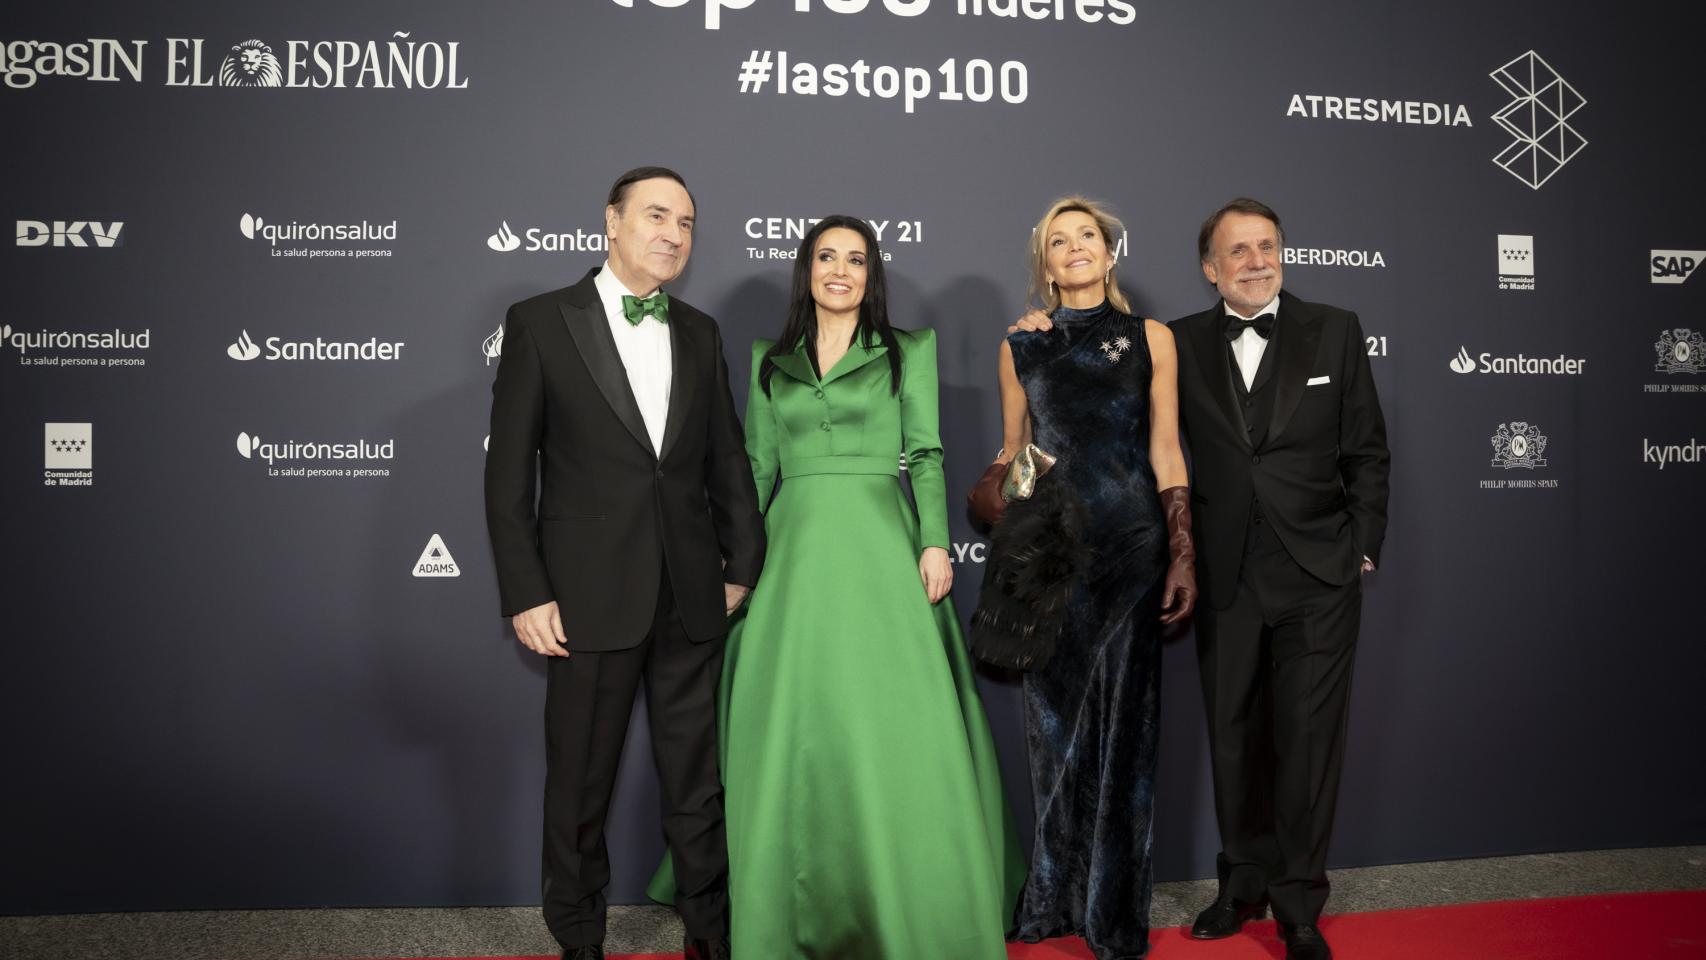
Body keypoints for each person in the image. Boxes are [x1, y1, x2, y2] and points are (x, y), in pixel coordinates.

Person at [653, 215, 1024, 958]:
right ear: (808, 269)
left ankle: (907, 893)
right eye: (827, 256)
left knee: (888, 722)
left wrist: (933, 542)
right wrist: (736, 564)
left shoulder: (908, 350)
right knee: (794, 721)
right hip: (791, 552)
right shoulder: (767, 359)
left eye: (856, 259)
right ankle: (785, 902)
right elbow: (757, 466)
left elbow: (924, 453)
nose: (841, 271)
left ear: (871, 275)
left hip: (881, 545)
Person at [484, 166, 765, 960]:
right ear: (611, 222)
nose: (673, 234)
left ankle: (710, 934)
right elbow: (508, 475)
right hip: (585, 598)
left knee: (697, 783)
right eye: (656, 216)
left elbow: (726, 460)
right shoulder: (541, 322)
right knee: (580, 783)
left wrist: (742, 563)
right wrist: (527, 590)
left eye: (686, 222)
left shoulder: (701, 331)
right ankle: (579, 939)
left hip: (691, 594)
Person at [1172, 198, 1389, 960]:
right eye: (1238, 250)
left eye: (1267, 246)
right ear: (1211, 268)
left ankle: (1298, 904)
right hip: (1225, 570)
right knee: (1233, 740)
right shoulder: (1178, 342)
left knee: (1306, 743)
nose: (1256, 261)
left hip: (1318, 573)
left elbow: (1367, 449)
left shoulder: (1335, 328)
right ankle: (1242, 885)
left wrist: (1362, 546)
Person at [998, 197, 1196, 960]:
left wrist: (1182, 548)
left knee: (1127, 734)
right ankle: (1052, 899)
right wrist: (1014, 514)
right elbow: (1016, 455)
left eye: (1088, 236)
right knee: (1054, 731)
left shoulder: (1152, 338)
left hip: (1133, 549)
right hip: (1053, 557)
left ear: (1111, 253)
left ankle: (1112, 913)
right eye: (1059, 240)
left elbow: (1166, 449)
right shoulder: (1020, 345)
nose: (1075, 247)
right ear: (1045, 264)